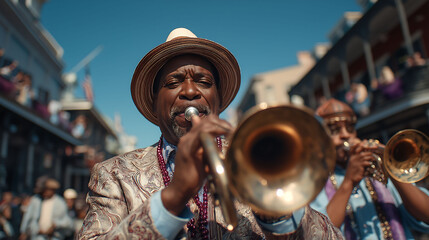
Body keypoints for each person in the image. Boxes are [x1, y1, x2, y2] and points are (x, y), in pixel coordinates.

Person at [77, 28, 343, 239]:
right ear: (155, 100)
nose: (191, 91)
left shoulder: (252, 159)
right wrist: (173, 198)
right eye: (173, 82)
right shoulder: (114, 174)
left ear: (217, 100)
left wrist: (274, 204)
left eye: (204, 82)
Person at [310, 98, 429, 239]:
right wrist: (349, 182)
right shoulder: (314, 182)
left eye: (350, 128)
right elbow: (318, 235)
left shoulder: (376, 167)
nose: (345, 135)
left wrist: (391, 166)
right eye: (335, 130)